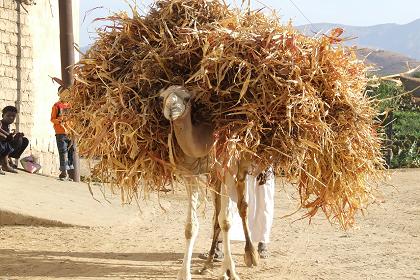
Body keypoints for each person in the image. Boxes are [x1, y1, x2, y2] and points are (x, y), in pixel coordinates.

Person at [199, 167, 275, 261]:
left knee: (263, 205)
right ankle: (218, 246)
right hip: (239, 168)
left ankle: (262, 243)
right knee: (226, 203)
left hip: (263, 169)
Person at [51, 86, 74, 180]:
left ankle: (68, 173)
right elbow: (52, 119)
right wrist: (60, 121)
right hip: (60, 132)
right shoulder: (56, 106)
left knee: (70, 152)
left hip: (70, 132)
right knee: (63, 152)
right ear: (59, 95)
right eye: (64, 94)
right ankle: (64, 173)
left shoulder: (71, 106)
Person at [0, 106, 29, 173]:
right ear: (2, 115)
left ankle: (6, 164)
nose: (11, 118)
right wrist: (7, 135)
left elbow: (8, 138)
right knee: (3, 140)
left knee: (23, 140)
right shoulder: (0, 123)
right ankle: (5, 164)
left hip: (4, 148)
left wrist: (15, 135)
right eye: (8, 116)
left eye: (13, 116)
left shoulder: (7, 126)